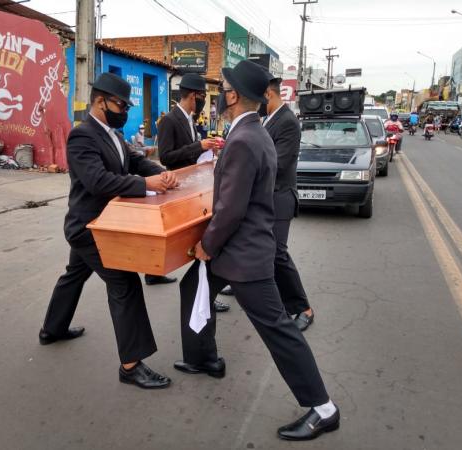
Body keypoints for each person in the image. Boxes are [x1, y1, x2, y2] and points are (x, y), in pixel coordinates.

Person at [174, 60, 340, 441]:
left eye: (223, 90)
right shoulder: (254, 132)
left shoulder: (245, 139)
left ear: (232, 96)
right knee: (191, 287)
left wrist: (206, 245)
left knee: (278, 329)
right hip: (240, 249)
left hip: (245, 256)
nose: (217, 96)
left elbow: (231, 209)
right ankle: (202, 357)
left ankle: (322, 407)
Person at [40, 72, 179, 389]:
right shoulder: (82, 136)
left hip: (104, 223)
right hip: (89, 227)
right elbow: (98, 181)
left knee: (74, 273)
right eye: (120, 104)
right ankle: (131, 366)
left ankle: (52, 329)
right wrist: (146, 185)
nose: (125, 111)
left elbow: (135, 161)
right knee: (125, 281)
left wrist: (163, 175)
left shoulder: (114, 135)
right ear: (100, 101)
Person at [157, 72, 229, 312]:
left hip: (194, 185)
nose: (202, 102)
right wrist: (198, 146)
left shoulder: (191, 121)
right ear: (193, 96)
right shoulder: (169, 120)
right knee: (201, 240)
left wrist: (208, 149)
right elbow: (166, 157)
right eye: (201, 97)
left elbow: (192, 153)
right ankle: (204, 293)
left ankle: (202, 289)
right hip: (178, 187)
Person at [258, 71, 315, 331]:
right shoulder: (269, 119)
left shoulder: (287, 122)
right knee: (263, 251)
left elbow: (279, 164)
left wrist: (246, 165)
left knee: (278, 254)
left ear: (268, 94)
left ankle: (303, 307)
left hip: (280, 197)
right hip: (266, 197)